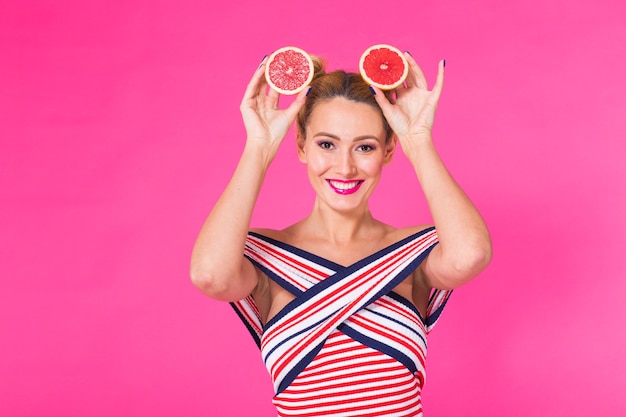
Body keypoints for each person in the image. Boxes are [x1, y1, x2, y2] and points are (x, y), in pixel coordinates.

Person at [190, 50, 492, 416]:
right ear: (301, 145)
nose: (345, 167)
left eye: (364, 147)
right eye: (326, 144)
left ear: (388, 150)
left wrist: (418, 138)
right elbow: (210, 276)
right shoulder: (265, 256)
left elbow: (471, 254)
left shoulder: (413, 253)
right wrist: (260, 146)